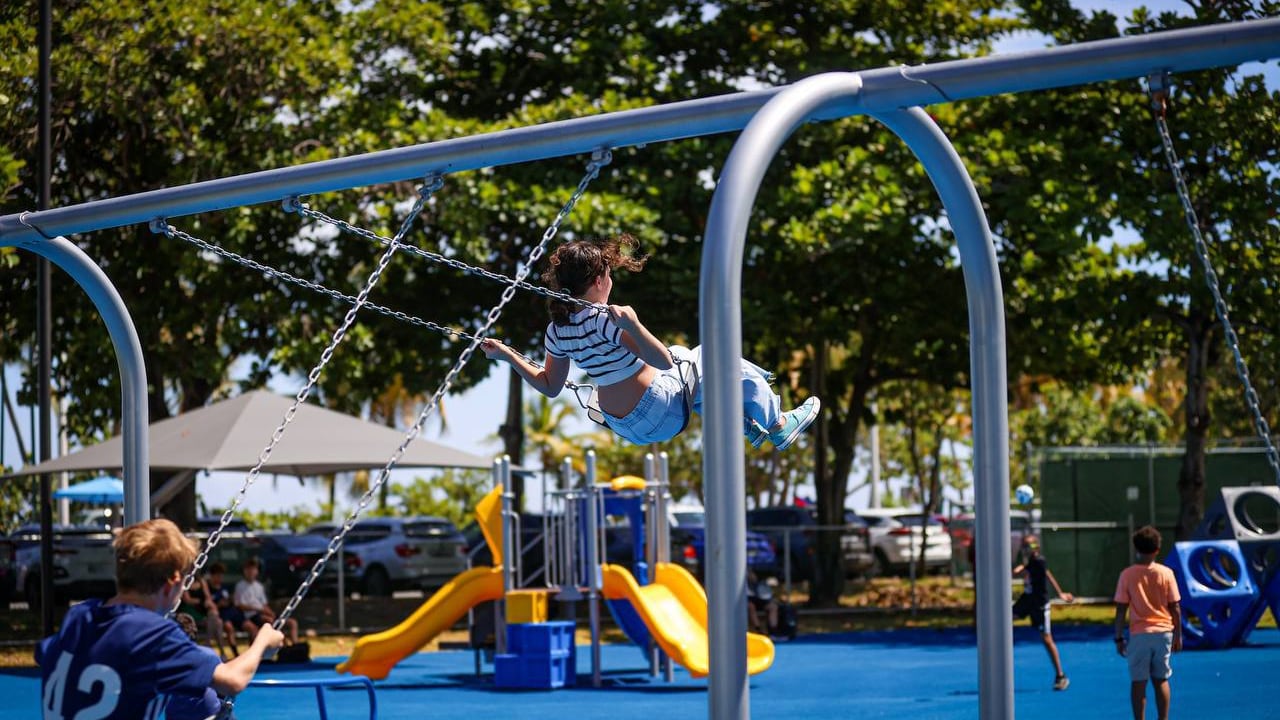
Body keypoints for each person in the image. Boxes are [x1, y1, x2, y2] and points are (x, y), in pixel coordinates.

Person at [481, 234, 820, 448]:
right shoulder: (604, 319)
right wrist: (634, 324)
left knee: (692, 367)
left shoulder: (558, 330)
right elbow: (662, 361)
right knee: (715, 357)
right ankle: (776, 424)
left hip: (626, 428)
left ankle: (749, 423)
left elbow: (550, 385)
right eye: (609, 274)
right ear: (599, 281)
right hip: (660, 409)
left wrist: (508, 355)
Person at [36, 518, 283, 719]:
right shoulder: (150, 634)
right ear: (171, 584)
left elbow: (44, 654)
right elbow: (232, 680)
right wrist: (262, 642)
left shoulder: (80, 615)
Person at [1114, 525, 1182, 720]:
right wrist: (1178, 635)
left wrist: (1118, 637)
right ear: (1157, 549)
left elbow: (1121, 609)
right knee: (1161, 679)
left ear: (1136, 548)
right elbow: (1175, 607)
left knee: (1138, 682)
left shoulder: (1127, 575)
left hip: (1139, 634)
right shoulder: (1166, 573)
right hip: (1164, 633)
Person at [1011, 534, 1074, 691]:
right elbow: (1044, 573)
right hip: (1027, 600)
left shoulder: (1039, 561)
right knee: (1005, 621)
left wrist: (1060, 593)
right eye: (1025, 546)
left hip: (1039, 604)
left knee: (1046, 639)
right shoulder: (1031, 562)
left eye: (1030, 546)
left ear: (1036, 547)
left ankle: (1061, 675)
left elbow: (1045, 573)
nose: (1027, 549)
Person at [234, 558, 299, 645]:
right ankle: (284, 646)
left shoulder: (259, 586)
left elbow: (264, 604)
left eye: (253, 569)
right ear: (244, 571)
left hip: (263, 613)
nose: (251, 572)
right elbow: (240, 605)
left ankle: (295, 644)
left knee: (292, 623)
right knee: (269, 621)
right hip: (252, 615)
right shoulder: (240, 586)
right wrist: (259, 610)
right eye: (249, 569)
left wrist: (270, 612)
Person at [207, 562, 241, 658]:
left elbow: (231, 600)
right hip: (221, 614)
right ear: (212, 576)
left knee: (248, 624)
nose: (220, 578)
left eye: (221, 576)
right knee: (229, 627)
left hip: (232, 612)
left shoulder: (225, 588)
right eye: (217, 575)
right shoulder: (208, 589)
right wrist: (219, 604)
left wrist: (230, 600)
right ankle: (235, 654)